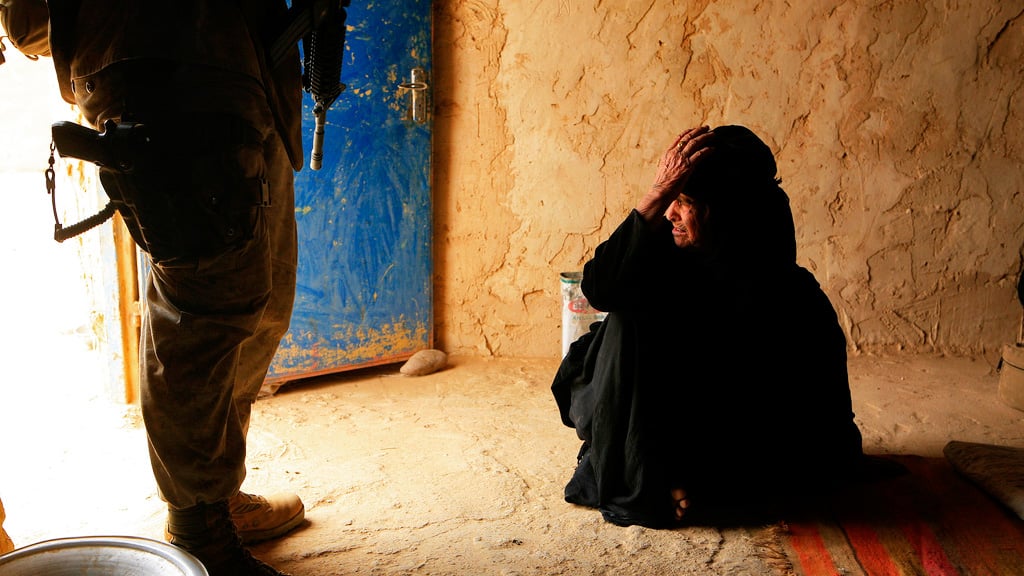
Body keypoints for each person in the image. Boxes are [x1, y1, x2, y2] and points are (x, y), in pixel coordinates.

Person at [1, 1, 308, 574]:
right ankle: (198, 527)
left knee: (261, 302)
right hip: (164, 81)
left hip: (248, 72)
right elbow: (26, 23)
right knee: (203, 313)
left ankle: (214, 491)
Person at [551, 125, 868, 528]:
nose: (669, 214)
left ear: (726, 211)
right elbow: (600, 288)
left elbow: (760, 396)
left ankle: (685, 478)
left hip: (732, 416)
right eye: (669, 200)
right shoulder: (667, 241)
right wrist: (657, 193)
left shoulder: (772, 274)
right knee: (627, 317)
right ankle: (659, 477)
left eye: (683, 202)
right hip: (669, 407)